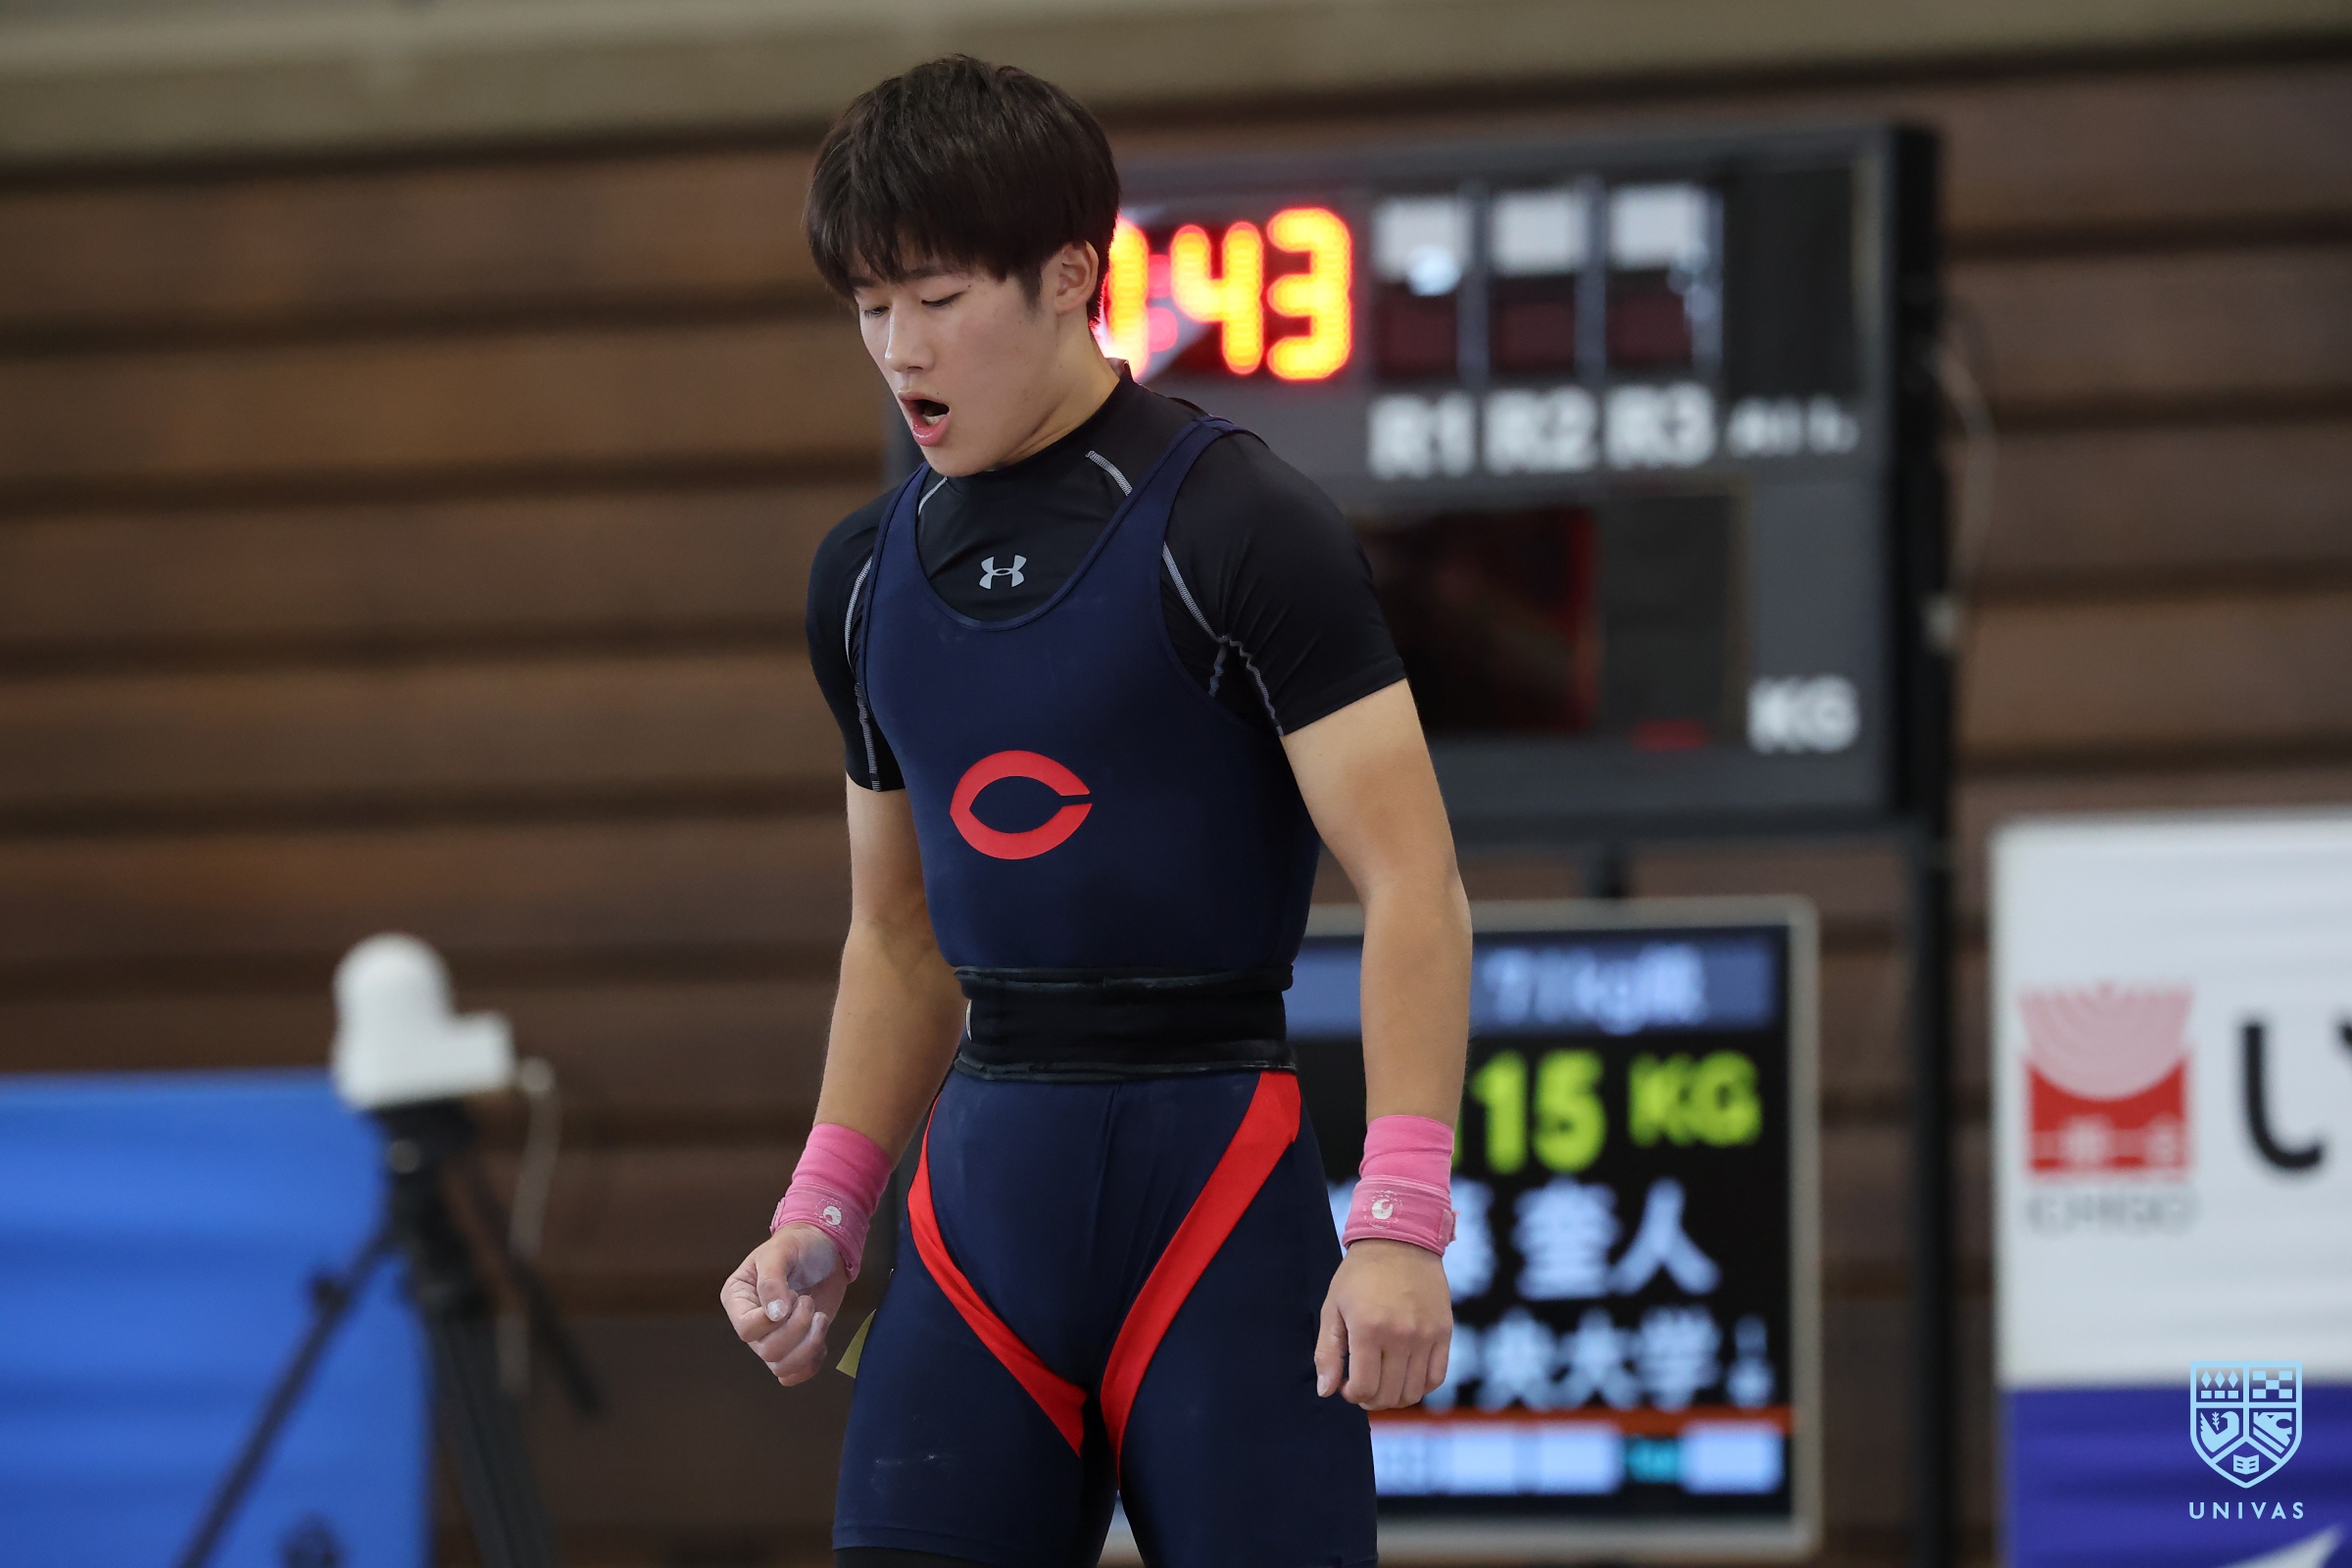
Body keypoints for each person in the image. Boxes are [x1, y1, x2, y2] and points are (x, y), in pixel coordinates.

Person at [720, 55, 1471, 1568]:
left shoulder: (1242, 526)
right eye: (870, 306)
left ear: (1071, 277)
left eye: (939, 299)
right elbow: (899, 932)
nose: (899, 348)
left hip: (1217, 1185)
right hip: (984, 1206)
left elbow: (1413, 885)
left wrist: (1400, 1225)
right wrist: (827, 1205)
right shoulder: (863, 579)